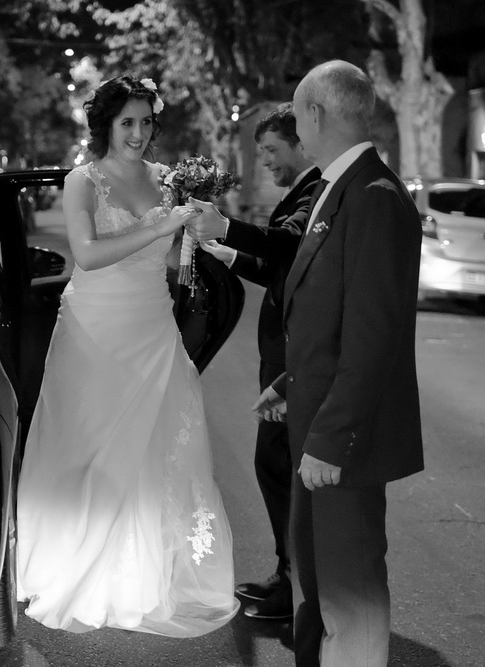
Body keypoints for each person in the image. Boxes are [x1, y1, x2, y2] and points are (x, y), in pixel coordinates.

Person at [16, 74, 239, 636]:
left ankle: (143, 575)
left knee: (153, 448)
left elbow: (172, 261)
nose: (138, 134)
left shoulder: (168, 181)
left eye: (146, 122)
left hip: (151, 321)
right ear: (106, 127)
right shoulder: (81, 181)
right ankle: (76, 565)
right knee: (89, 445)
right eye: (127, 123)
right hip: (94, 328)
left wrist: (197, 235)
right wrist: (162, 223)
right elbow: (87, 256)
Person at [252, 60, 423, 665]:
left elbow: (372, 337)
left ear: (317, 113)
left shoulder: (373, 197)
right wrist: (287, 384)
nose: (296, 128)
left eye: (297, 114)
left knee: (350, 598)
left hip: (339, 440)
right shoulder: (342, 186)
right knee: (317, 589)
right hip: (316, 418)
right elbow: (330, 319)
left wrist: (330, 438)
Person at [185, 102, 321, 622]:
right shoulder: (302, 190)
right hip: (280, 357)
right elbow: (280, 268)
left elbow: (288, 243)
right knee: (275, 466)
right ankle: (288, 576)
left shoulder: (315, 191)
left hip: (294, 359)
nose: (263, 160)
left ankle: (295, 585)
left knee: (281, 467)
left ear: (299, 144)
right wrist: (233, 258)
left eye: (270, 150)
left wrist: (226, 227)